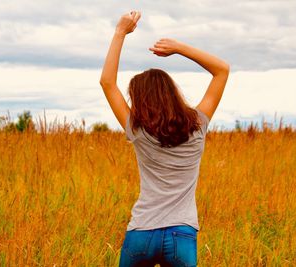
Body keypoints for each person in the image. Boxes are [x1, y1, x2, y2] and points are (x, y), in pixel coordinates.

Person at [99, 10, 229, 267]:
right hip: (182, 233)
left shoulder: (137, 130)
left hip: (142, 231)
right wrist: (179, 48)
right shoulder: (198, 125)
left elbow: (107, 83)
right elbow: (222, 70)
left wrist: (120, 33)